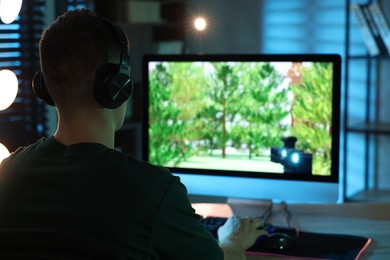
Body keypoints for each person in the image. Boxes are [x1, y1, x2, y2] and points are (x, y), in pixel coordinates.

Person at [0, 9, 267, 259]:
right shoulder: (153, 191)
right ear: (117, 86)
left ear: (44, 87)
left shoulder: (8, 174)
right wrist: (233, 239)